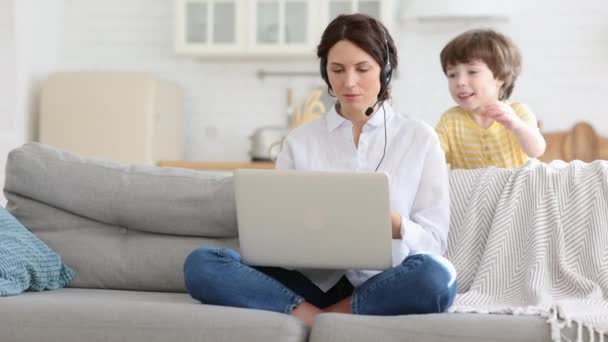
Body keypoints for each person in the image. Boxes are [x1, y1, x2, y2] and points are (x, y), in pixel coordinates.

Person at [183, 14, 457, 326]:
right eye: (337, 70)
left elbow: (435, 243)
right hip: (310, 281)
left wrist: (396, 226)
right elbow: (276, 232)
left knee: (437, 278)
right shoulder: (300, 141)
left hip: (385, 281)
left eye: (362, 69)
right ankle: (320, 317)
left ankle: (319, 317)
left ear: (386, 70)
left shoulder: (419, 139)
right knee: (202, 264)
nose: (348, 82)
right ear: (325, 72)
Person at [435, 29, 546, 170]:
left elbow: (536, 150)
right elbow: (430, 155)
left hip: (516, 189)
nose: (460, 82)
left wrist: (516, 125)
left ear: (500, 77)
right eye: (452, 75)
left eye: (472, 72)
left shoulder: (517, 112)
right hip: (473, 191)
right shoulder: (450, 121)